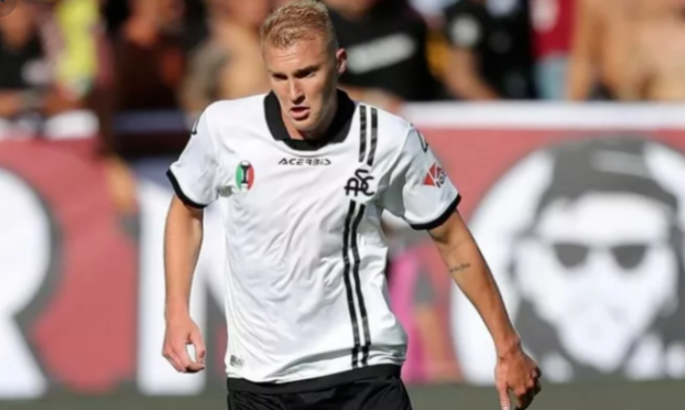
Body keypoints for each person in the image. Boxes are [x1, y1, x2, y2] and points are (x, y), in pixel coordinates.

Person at [161, 1, 542, 409]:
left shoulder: (389, 139)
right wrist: (176, 311)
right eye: (280, 77)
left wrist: (507, 345)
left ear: (339, 62)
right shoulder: (224, 127)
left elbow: (452, 237)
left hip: (361, 374)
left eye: (307, 73)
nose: (294, 93)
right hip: (259, 381)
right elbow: (186, 210)